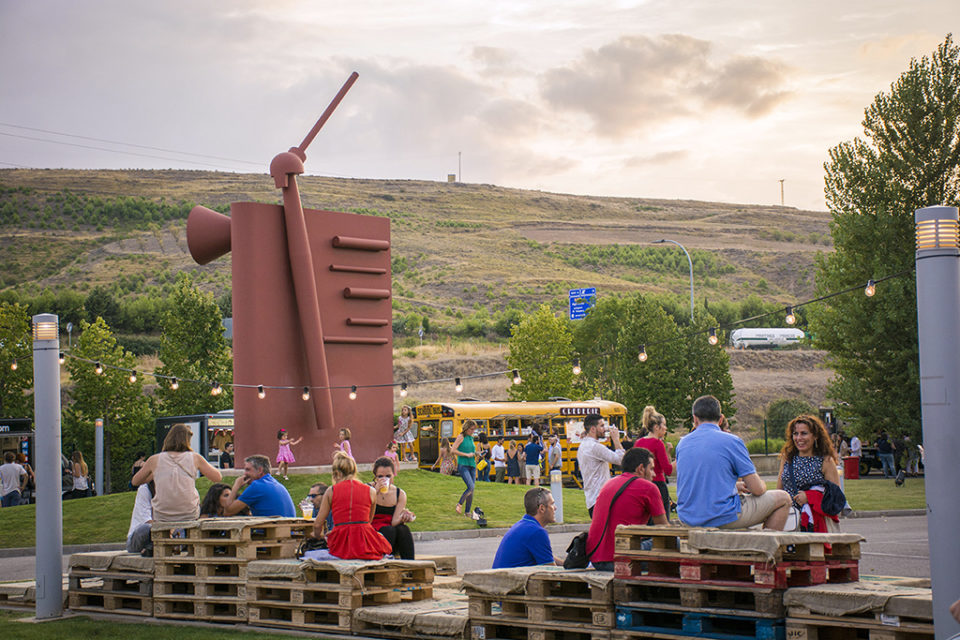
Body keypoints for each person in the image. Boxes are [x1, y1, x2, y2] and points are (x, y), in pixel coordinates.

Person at [676, 395, 790, 530]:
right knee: (784, 498)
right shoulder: (732, 441)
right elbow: (757, 489)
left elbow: (700, 482)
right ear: (721, 419)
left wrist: (734, 486)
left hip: (687, 518)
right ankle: (766, 547)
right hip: (722, 516)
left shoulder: (682, 444)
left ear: (694, 419)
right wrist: (763, 486)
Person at [587, 447, 668, 571]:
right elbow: (664, 530)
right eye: (651, 469)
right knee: (676, 543)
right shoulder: (648, 487)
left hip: (596, 558)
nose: (654, 474)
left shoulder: (609, 484)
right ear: (641, 468)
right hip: (621, 558)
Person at [133, 423, 223, 522]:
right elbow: (217, 477)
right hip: (189, 513)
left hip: (162, 514)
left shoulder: (154, 459)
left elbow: (135, 481)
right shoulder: (195, 458)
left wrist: (154, 475)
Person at [313, 451, 392, 560]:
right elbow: (368, 521)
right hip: (364, 542)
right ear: (354, 471)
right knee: (382, 541)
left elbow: (318, 524)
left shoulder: (331, 491)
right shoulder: (371, 491)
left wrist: (318, 536)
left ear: (336, 473)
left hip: (340, 544)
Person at [777, 415, 842, 533]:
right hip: (788, 520)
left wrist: (810, 497)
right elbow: (779, 491)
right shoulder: (787, 458)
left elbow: (835, 496)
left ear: (815, 436)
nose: (799, 438)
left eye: (804, 433)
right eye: (795, 434)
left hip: (815, 524)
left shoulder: (825, 460)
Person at [492, 488, 561, 569]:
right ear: (542, 508)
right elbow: (552, 571)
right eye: (552, 504)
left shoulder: (523, 525)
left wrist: (568, 564)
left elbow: (546, 556)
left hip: (502, 578)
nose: (555, 508)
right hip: (512, 580)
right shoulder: (537, 532)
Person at [576, 414, 625, 516]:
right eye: (602, 426)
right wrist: (616, 439)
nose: (605, 429)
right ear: (593, 429)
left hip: (591, 499)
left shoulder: (583, 445)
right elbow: (621, 460)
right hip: (601, 499)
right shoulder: (595, 447)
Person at [370, 456, 416, 559]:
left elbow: (394, 521)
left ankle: (410, 565)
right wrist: (374, 491)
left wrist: (404, 517)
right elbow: (364, 516)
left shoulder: (399, 494)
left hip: (391, 531)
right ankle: (382, 563)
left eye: (388, 476)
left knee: (403, 529)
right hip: (372, 529)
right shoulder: (368, 489)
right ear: (375, 476)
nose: (384, 479)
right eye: (380, 476)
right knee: (389, 530)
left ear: (393, 475)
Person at [633, 405, 673, 518]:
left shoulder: (639, 442)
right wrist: (679, 459)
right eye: (664, 425)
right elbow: (668, 470)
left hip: (641, 484)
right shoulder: (657, 443)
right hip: (658, 484)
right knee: (662, 521)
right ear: (656, 427)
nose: (666, 428)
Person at [224, 454, 296, 517]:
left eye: (248, 470)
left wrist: (236, 486)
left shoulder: (257, 486)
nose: (245, 474)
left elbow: (228, 512)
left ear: (260, 470)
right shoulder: (276, 484)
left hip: (271, 532)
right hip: (287, 530)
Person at [452, 420, 478, 516]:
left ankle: (467, 512)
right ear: (466, 428)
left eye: (474, 430)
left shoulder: (471, 438)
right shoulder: (461, 437)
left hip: (472, 465)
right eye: (471, 429)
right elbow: (453, 450)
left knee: (471, 490)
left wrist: (477, 454)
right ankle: (459, 504)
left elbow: (471, 451)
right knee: (471, 487)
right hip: (463, 465)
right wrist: (466, 455)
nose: (473, 431)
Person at [126, 479, 155, 554]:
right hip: (137, 540)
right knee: (146, 528)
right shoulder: (145, 489)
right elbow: (147, 520)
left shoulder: (169, 491)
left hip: (162, 534)